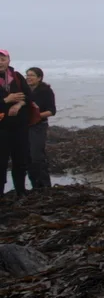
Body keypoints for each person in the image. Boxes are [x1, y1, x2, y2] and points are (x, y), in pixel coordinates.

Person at [0, 50, 34, 197]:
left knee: (20, 160)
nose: (0, 62)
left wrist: (19, 104)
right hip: (1, 128)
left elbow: (29, 95)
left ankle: (21, 190)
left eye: (2, 59)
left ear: (8, 60)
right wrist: (6, 101)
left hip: (19, 127)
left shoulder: (17, 77)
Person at [24, 67, 56, 190]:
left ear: (39, 78)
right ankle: (35, 186)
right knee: (27, 158)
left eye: (31, 75)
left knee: (37, 156)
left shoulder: (46, 91)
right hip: (24, 127)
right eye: (27, 75)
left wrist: (37, 116)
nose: (28, 77)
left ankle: (46, 186)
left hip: (39, 126)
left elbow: (52, 111)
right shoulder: (24, 91)